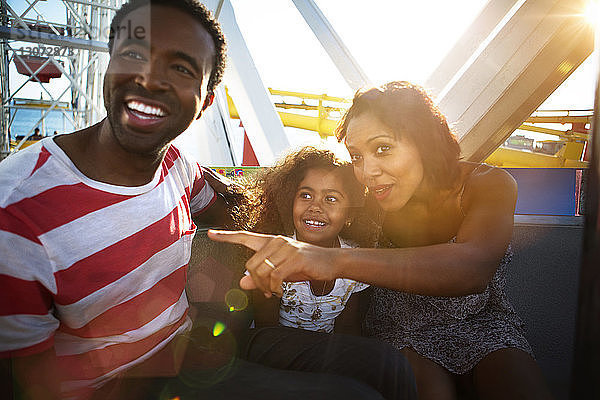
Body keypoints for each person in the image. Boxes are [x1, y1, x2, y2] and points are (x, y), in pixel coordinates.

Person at [0, 2, 415, 398]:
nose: (150, 79)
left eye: (181, 68)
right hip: (114, 387)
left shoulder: (178, 168)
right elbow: (28, 382)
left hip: (189, 352)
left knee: (387, 366)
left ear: (205, 102)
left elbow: (232, 204)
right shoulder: (16, 210)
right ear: (110, 62)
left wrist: (292, 233)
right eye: (134, 53)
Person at [209, 81, 554, 399]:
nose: (367, 172)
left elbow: (472, 268)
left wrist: (329, 260)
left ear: (425, 139)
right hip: (399, 329)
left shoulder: (487, 184)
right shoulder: (371, 196)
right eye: (357, 156)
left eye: (383, 149)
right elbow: (292, 198)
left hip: (480, 322)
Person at [240, 147, 374, 334]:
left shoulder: (357, 262)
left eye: (331, 198)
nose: (315, 207)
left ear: (350, 213)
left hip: (325, 354)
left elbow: (347, 330)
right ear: (289, 201)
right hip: (275, 348)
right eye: (306, 195)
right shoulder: (272, 257)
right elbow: (267, 331)